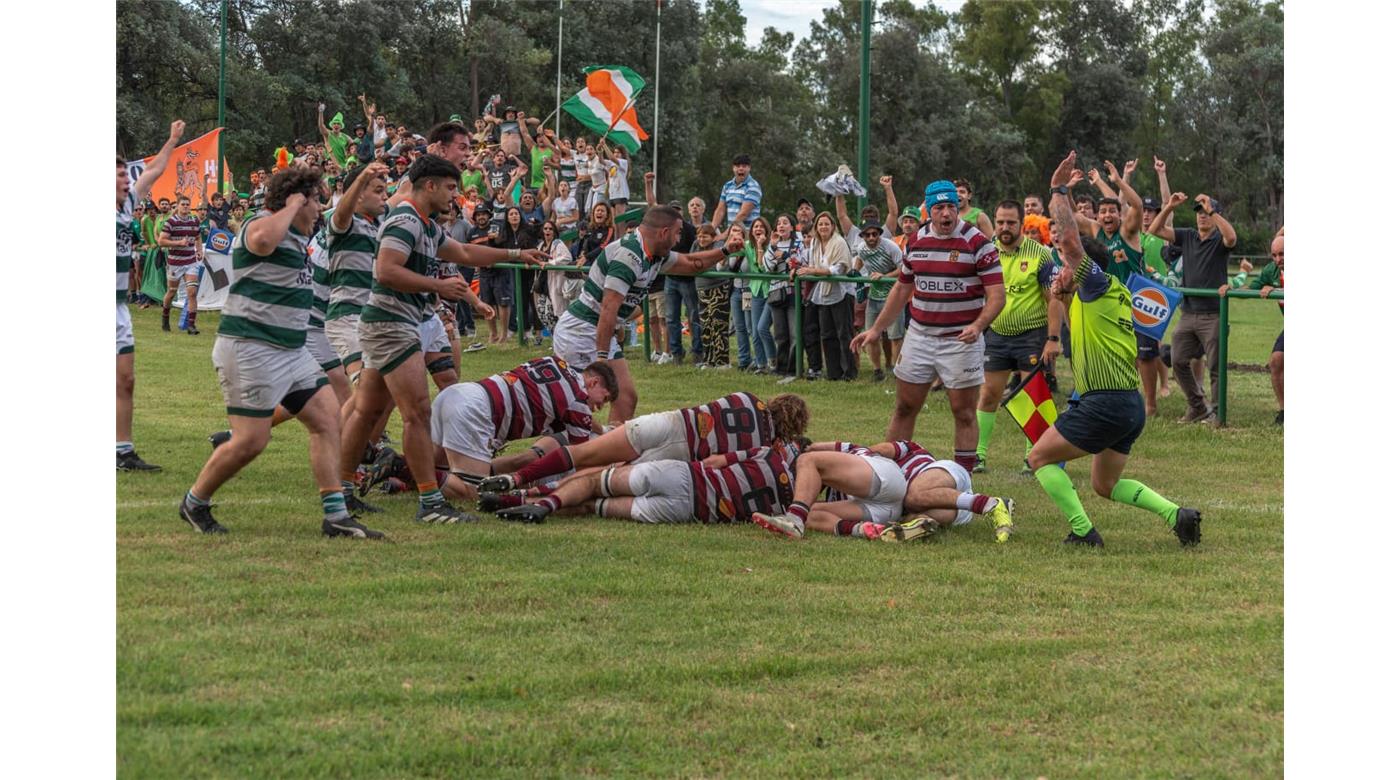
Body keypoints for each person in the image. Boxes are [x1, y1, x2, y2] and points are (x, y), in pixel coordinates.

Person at [338, 154, 545, 525]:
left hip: (389, 323)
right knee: (417, 411)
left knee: (365, 410)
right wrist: (438, 285)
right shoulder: (405, 220)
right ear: (429, 185)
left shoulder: (427, 226)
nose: (456, 195)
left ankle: (340, 493)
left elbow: (464, 252)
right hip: (392, 325)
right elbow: (385, 271)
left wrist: (517, 254)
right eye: (451, 187)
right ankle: (431, 502)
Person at [178, 166, 383, 539]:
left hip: (291, 351)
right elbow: (260, 242)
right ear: (297, 200)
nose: (321, 210)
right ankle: (194, 502)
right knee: (251, 441)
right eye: (316, 201)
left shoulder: (299, 236)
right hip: (249, 348)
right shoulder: (264, 222)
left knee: (327, 420)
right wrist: (289, 208)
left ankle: (335, 516)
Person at [1029, 151, 1202, 548]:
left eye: (1069, 267)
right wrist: (1063, 292)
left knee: (1038, 458)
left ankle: (1083, 532)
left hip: (1104, 404)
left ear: (1087, 267)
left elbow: (1071, 241)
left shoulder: (1098, 281)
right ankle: (1177, 515)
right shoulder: (1109, 294)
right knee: (1104, 485)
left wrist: (1057, 191)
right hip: (1128, 406)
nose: (1062, 270)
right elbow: (1078, 318)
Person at [853, 180, 1005, 472]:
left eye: (952, 207)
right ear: (929, 211)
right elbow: (901, 289)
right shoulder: (917, 241)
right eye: (939, 208)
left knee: (963, 412)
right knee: (904, 406)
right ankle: (889, 473)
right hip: (920, 337)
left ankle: (962, 478)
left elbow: (997, 296)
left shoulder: (978, 244)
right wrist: (876, 330)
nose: (947, 214)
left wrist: (978, 325)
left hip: (961, 340)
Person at [548, 206, 747, 426]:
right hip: (580, 331)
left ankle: (608, 454)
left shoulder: (654, 255)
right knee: (579, 405)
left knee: (626, 397)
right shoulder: (630, 256)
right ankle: (567, 452)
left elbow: (692, 264)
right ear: (663, 233)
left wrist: (726, 250)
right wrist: (602, 360)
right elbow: (608, 309)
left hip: (597, 330)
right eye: (677, 233)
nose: (678, 239)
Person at [480, 392, 810, 495]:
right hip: (682, 453)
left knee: (584, 452)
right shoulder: (764, 445)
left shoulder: (747, 398)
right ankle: (529, 494)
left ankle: (516, 478)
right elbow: (717, 463)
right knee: (601, 475)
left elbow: (710, 409)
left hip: (669, 423)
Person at [431, 356, 617, 501]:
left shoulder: (557, 362)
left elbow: (580, 417)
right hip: (476, 412)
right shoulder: (578, 403)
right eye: (605, 399)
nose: (600, 407)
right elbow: (583, 457)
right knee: (470, 492)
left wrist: (603, 430)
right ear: (593, 382)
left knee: (438, 468)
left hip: (459, 394)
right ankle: (408, 469)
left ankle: (412, 469)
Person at [495, 440, 804, 526]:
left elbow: (714, 462)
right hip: (687, 511)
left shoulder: (767, 454)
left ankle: (532, 500)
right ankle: (524, 505)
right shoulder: (793, 502)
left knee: (592, 482)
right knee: (592, 507)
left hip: (683, 476)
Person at [751, 440, 1012, 541]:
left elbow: (883, 449)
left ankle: (992, 504)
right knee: (918, 515)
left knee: (808, 461)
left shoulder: (859, 454)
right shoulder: (818, 488)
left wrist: (813, 448)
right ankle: (868, 532)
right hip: (892, 510)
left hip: (923, 477)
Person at [974, 200, 1062, 474]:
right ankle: (978, 455)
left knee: (1032, 398)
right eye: (1000, 222)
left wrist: (1053, 338)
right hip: (997, 334)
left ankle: (1032, 457)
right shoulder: (986, 252)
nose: (1004, 227)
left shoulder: (1040, 254)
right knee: (988, 394)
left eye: (1011, 222)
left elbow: (1054, 298)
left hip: (1031, 335)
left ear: (1022, 223)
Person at [116, 119, 184, 472]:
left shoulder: (128, 205)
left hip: (118, 309)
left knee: (126, 380)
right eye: (119, 176)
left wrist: (172, 139)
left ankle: (122, 452)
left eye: (126, 175)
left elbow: (156, 168)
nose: (127, 180)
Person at [1146, 188, 1238, 424]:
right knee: (1177, 360)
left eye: (1205, 212)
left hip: (1213, 314)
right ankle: (1197, 406)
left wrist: (1213, 210)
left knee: (1215, 367)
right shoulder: (1187, 236)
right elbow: (1154, 230)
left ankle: (1218, 413)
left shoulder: (1219, 240)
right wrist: (1169, 207)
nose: (1202, 215)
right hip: (1188, 312)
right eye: (1198, 212)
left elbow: (1232, 238)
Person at [325, 162, 389, 386]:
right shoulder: (345, 224)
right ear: (358, 195)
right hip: (347, 316)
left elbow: (406, 195)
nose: (385, 197)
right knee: (364, 384)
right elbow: (343, 210)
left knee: (376, 395)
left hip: (372, 319)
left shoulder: (381, 225)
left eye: (386, 191)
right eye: (378, 191)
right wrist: (361, 178)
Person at [803, 212, 857, 381]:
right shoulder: (815, 243)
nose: (823, 227)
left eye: (827, 224)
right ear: (816, 228)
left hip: (842, 293)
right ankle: (834, 373)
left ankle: (849, 372)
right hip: (823, 294)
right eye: (820, 224)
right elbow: (812, 265)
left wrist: (815, 271)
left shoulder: (839, 243)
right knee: (827, 334)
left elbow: (839, 268)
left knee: (844, 334)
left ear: (833, 226)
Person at [852, 219, 904, 382]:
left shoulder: (890, 246)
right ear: (863, 236)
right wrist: (855, 270)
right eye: (867, 235)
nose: (871, 237)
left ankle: (897, 370)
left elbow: (903, 268)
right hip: (874, 296)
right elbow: (860, 258)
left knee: (896, 336)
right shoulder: (861, 248)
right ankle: (877, 370)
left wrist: (885, 276)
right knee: (871, 335)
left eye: (875, 234)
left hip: (894, 296)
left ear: (880, 234)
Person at [158, 195, 204, 334]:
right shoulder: (171, 222)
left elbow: (197, 236)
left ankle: (191, 325)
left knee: (192, 292)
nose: (185, 206)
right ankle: (165, 318)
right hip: (175, 262)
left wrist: (199, 249)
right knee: (171, 292)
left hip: (190, 260)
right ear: (177, 206)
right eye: (183, 204)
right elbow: (161, 241)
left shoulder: (194, 220)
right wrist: (178, 243)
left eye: (187, 204)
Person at [765, 214, 803, 379]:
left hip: (793, 293)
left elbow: (798, 262)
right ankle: (780, 367)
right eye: (778, 223)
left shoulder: (799, 243)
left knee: (795, 333)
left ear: (792, 227)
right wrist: (774, 249)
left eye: (785, 223)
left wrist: (786, 257)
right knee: (780, 333)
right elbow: (767, 267)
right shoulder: (772, 245)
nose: (781, 226)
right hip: (776, 292)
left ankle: (794, 368)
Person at [1252, 233, 1284, 424]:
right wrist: (1228, 288)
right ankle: (1284, 411)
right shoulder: (1271, 270)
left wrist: (1277, 291)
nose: (1278, 259)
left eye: (1282, 254)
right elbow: (1251, 288)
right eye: (1274, 255)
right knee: (1276, 361)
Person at [692, 225, 731, 368]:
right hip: (701, 290)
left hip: (718, 289)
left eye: (705, 236)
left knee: (719, 326)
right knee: (706, 326)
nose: (701, 239)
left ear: (713, 237)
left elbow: (717, 267)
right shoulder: (695, 245)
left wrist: (700, 265)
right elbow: (690, 262)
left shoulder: (718, 246)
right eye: (700, 236)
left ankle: (722, 361)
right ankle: (709, 360)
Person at [745, 217, 776, 373]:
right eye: (755, 227)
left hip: (770, 291)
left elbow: (763, 269)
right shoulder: (746, 246)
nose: (758, 229)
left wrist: (759, 247)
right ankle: (761, 364)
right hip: (755, 290)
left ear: (766, 230)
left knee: (762, 328)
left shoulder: (772, 246)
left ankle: (773, 361)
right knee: (755, 331)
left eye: (761, 227)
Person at [712, 154, 763, 230]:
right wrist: (711, 230)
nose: (741, 168)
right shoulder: (727, 186)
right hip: (733, 232)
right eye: (738, 166)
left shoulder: (753, 186)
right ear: (733, 168)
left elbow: (743, 214)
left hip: (748, 233)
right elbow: (720, 210)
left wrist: (727, 234)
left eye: (744, 166)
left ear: (749, 168)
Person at [316, 103, 355, 169]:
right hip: (331, 163)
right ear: (332, 125)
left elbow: (354, 146)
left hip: (343, 164)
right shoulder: (328, 134)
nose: (336, 125)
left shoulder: (345, 137)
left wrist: (350, 155)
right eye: (334, 124)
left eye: (338, 124)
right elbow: (321, 125)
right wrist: (321, 112)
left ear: (341, 126)